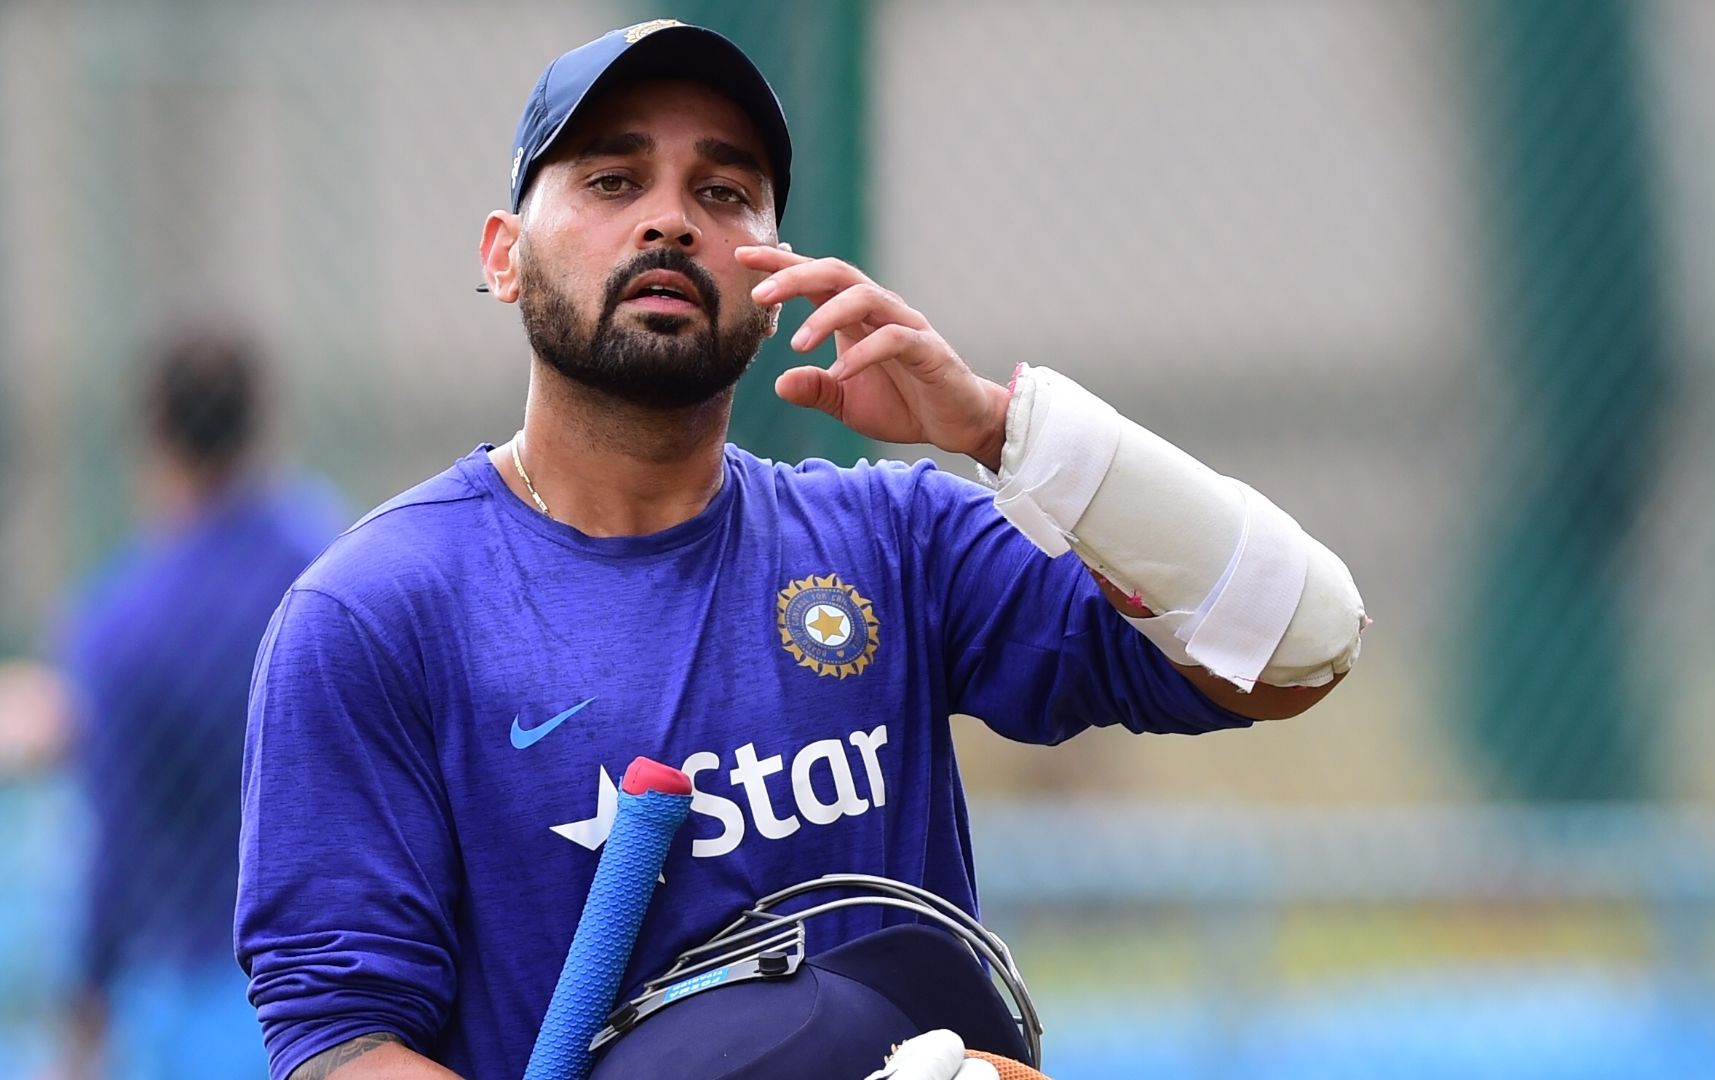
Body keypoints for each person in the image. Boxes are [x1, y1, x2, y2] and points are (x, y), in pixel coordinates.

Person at [237, 20, 1367, 1080]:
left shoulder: (897, 542)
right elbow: (339, 1039)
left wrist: (996, 427)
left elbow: (1296, 647)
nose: (671, 220)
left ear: (775, 275)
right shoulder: (375, 612)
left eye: (723, 190)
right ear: (504, 255)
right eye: (613, 180)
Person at [53, 332, 340, 1080]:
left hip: (197, 1009)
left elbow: (112, 849)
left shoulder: (118, 623)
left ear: (155, 435)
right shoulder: (338, 566)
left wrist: (84, 1018)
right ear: (261, 420)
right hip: (345, 987)